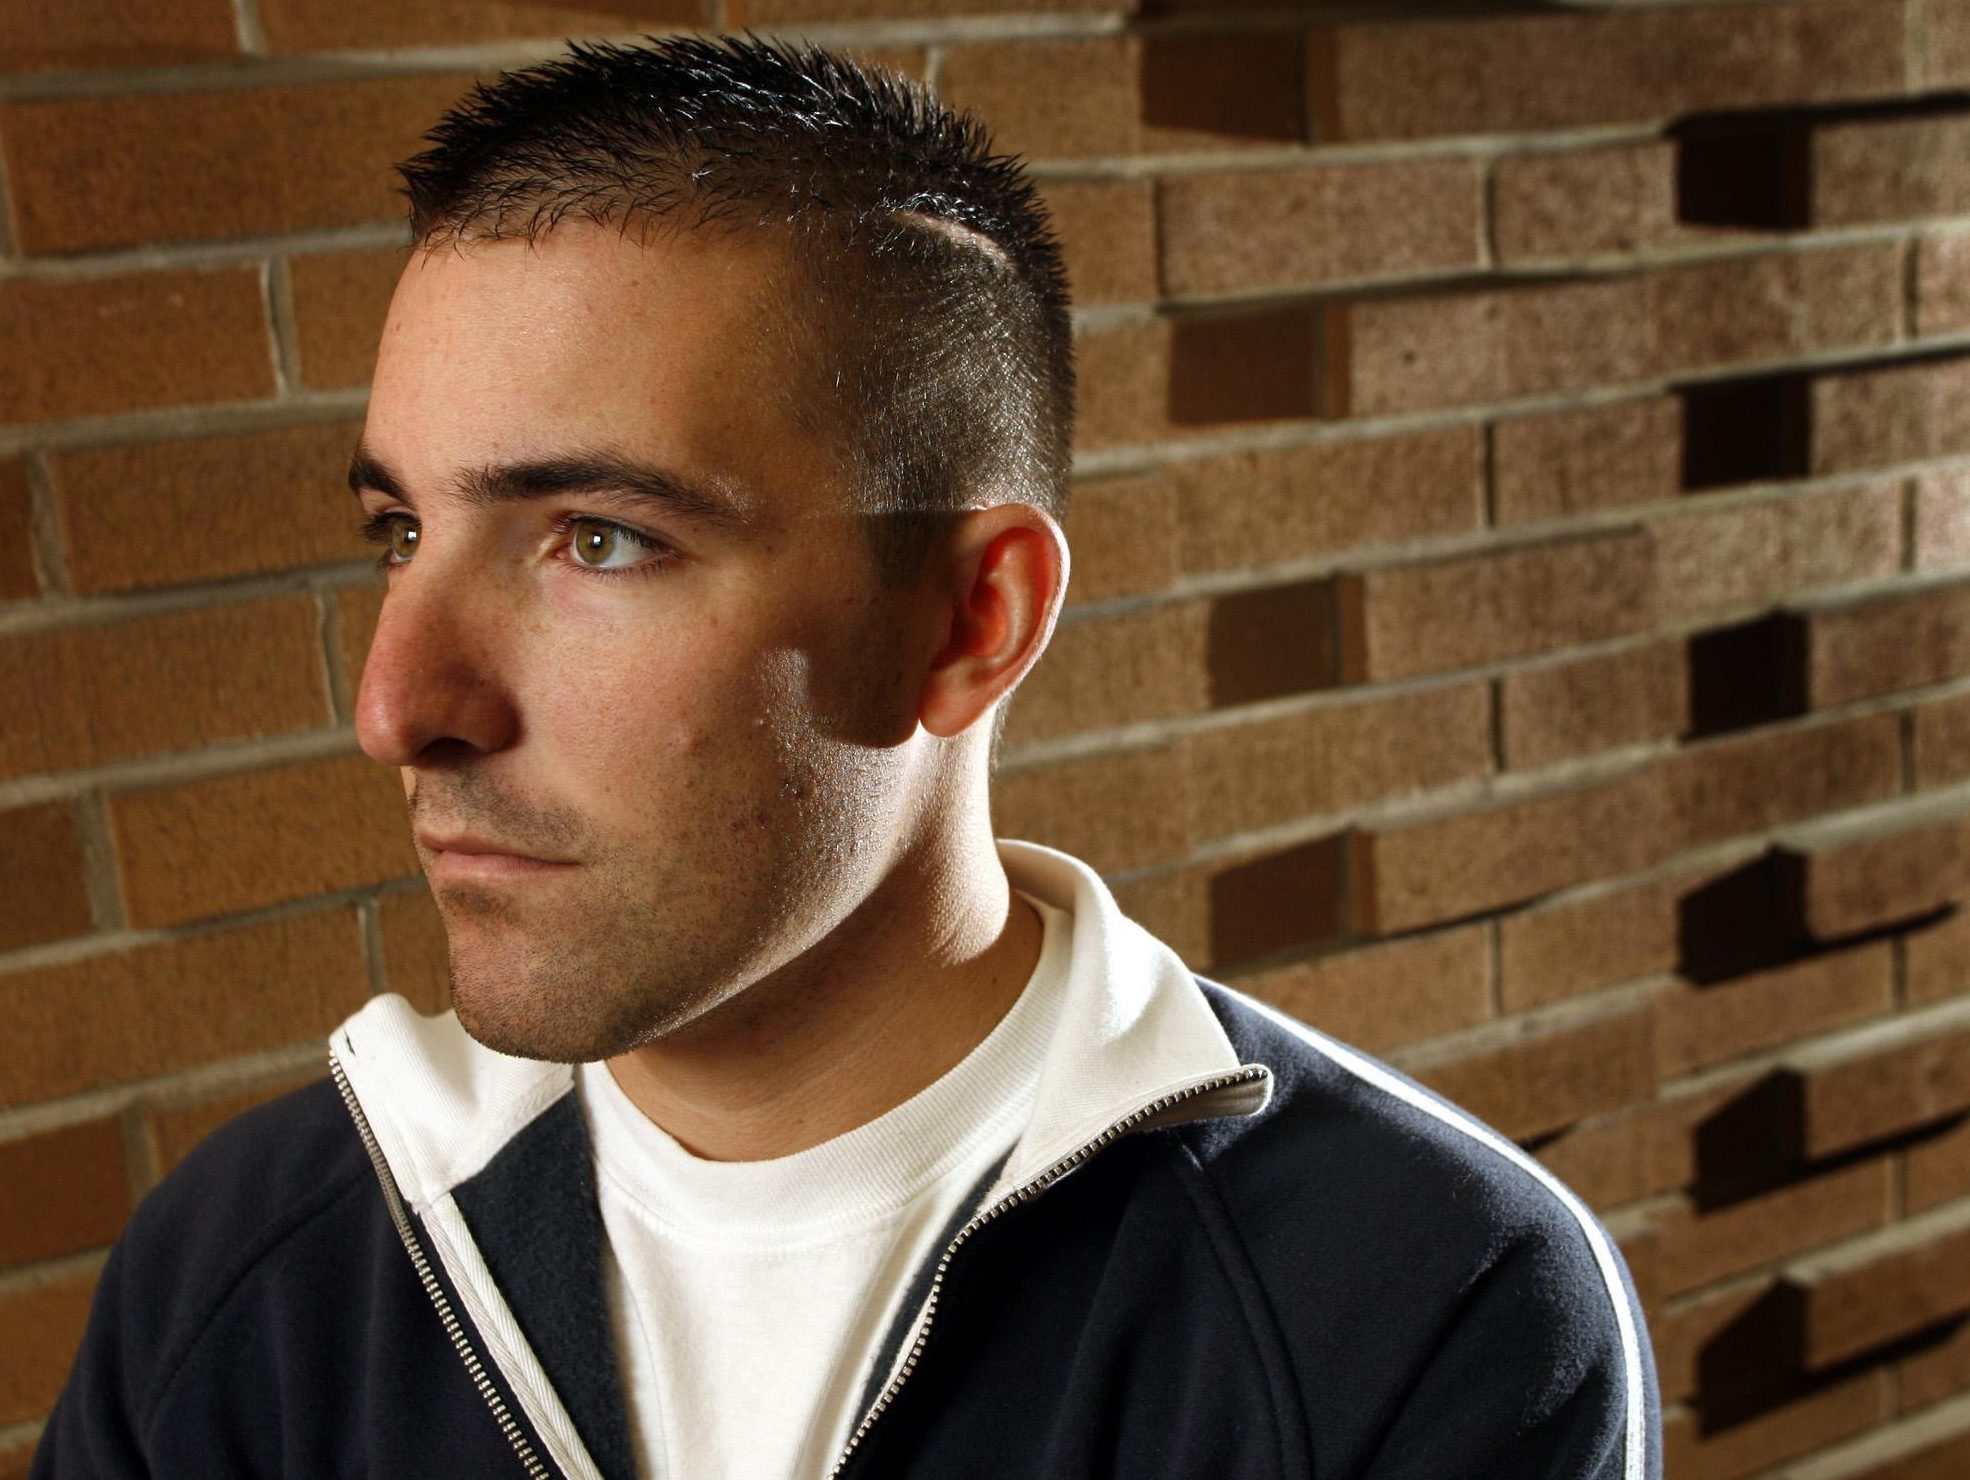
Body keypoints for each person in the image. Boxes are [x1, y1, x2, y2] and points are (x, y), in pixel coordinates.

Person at [34, 34, 1659, 1480]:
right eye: (400, 530)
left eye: (597, 538)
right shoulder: (242, 1275)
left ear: (966, 620)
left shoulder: (1418, 1306)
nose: (399, 708)